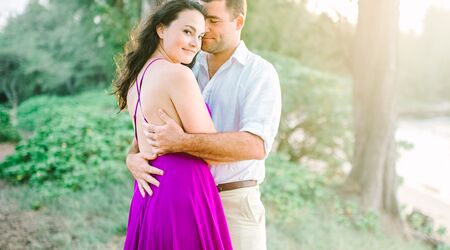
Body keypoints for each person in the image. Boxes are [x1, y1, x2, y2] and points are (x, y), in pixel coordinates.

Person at [126, 0, 281, 249]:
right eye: (196, 25)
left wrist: (183, 142)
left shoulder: (258, 73)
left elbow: (256, 145)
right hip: (185, 197)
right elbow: (149, 130)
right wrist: (132, 157)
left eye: (213, 21)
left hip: (234, 203)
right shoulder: (184, 66)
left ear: (238, 22)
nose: (204, 29)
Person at [113, 1, 233, 249]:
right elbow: (212, 151)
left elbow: (142, 142)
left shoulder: (137, 79)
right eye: (187, 31)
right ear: (161, 29)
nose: (194, 43)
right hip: (183, 191)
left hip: (148, 193)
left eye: (199, 36)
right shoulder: (178, 74)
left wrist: (130, 157)